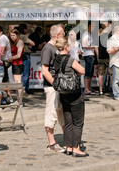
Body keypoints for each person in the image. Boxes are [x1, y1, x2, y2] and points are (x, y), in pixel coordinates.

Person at [53, 37, 87, 157]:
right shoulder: (70, 60)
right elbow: (82, 70)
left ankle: (68, 146)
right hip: (74, 93)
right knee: (77, 122)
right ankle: (76, 148)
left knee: (68, 121)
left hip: (62, 93)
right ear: (66, 47)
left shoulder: (56, 59)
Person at [41, 24, 66, 153]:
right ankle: (52, 143)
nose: (64, 36)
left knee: (61, 112)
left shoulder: (55, 48)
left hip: (58, 86)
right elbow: (45, 70)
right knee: (51, 113)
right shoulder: (48, 49)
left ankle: (67, 140)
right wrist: (55, 84)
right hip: (52, 87)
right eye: (63, 34)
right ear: (57, 35)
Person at [18, 24, 35, 95]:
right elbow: (33, 43)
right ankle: (24, 89)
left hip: (19, 56)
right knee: (26, 74)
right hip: (25, 55)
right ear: (24, 30)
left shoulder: (17, 37)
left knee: (21, 74)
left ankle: (25, 89)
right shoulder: (23, 36)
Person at [8, 29, 24, 102]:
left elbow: (18, 55)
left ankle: (20, 100)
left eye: (14, 35)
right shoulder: (14, 42)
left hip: (18, 64)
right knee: (16, 82)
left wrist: (11, 58)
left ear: (17, 35)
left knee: (18, 83)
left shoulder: (20, 42)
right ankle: (19, 99)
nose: (12, 37)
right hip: (14, 64)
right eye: (11, 35)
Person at [82, 22, 98, 95]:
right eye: (92, 26)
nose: (93, 28)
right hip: (88, 55)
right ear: (89, 26)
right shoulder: (86, 34)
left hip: (91, 54)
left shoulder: (89, 34)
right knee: (88, 72)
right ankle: (86, 89)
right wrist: (93, 47)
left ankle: (89, 87)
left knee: (91, 72)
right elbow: (84, 46)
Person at [97, 22, 112, 95]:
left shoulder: (99, 36)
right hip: (108, 57)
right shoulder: (110, 36)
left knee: (101, 74)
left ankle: (100, 90)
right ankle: (112, 88)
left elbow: (96, 47)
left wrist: (97, 55)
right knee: (111, 74)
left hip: (101, 57)